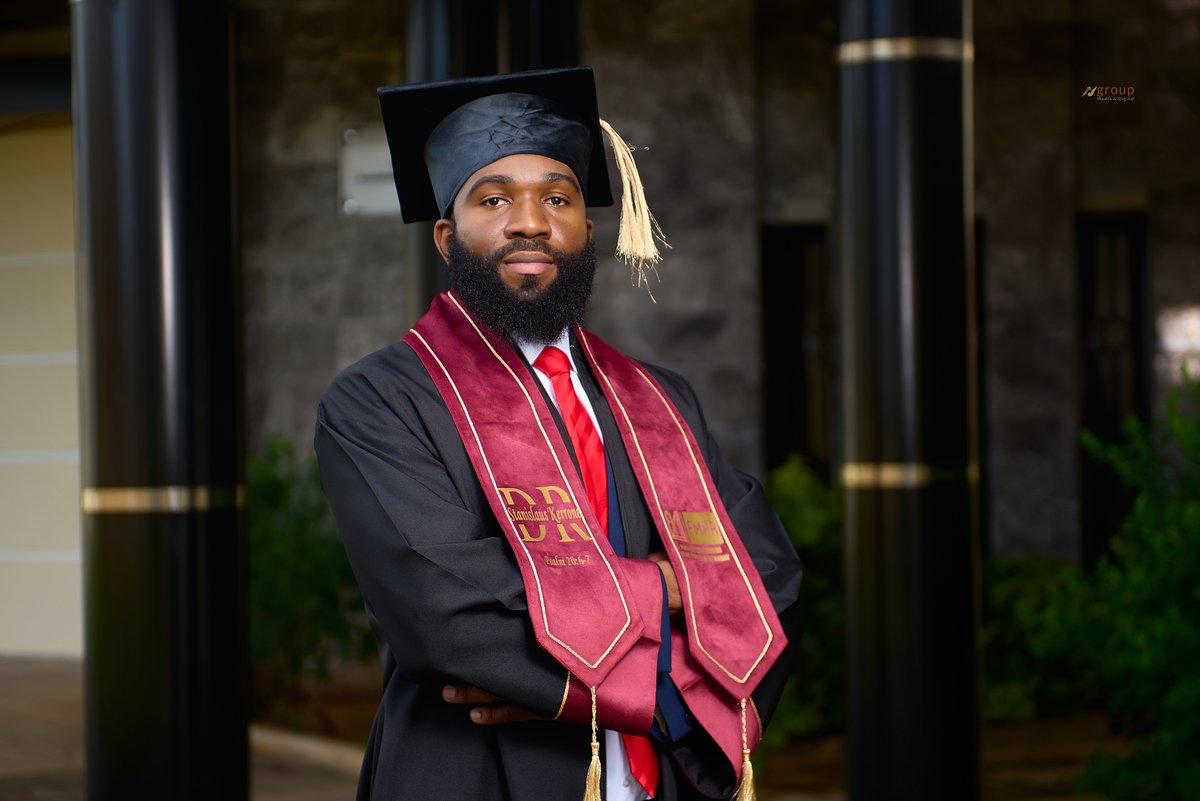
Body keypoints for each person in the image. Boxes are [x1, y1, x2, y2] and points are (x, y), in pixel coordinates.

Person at [314, 66, 802, 801]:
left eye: (558, 197)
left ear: (586, 229)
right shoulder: (380, 401)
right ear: (446, 237)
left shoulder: (662, 401)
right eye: (494, 199)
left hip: (660, 781)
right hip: (474, 775)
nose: (530, 222)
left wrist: (608, 697)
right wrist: (672, 601)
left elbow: (768, 579)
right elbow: (446, 610)